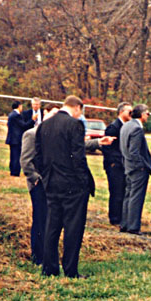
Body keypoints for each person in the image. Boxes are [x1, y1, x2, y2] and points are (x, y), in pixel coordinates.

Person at [34, 96, 94, 278]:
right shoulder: (74, 125)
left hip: (51, 182)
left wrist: (47, 176)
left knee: (52, 226)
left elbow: (37, 156)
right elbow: (78, 157)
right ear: (77, 108)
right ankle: (70, 269)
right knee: (73, 227)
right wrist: (83, 181)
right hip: (72, 184)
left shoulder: (44, 125)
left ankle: (49, 268)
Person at [20, 104, 60, 265]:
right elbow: (25, 161)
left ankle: (48, 254)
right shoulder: (31, 134)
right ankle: (38, 256)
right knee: (40, 219)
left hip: (52, 184)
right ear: (45, 113)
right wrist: (35, 179)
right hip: (38, 185)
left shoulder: (55, 135)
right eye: (54, 113)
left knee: (50, 220)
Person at [119, 104, 151, 235]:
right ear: (141, 114)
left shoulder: (126, 125)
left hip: (128, 167)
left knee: (128, 196)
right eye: (147, 113)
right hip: (136, 169)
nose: (148, 115)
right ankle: (133, 227)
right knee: (136, 197)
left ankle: (125, 224)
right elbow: (134, 152)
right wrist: (141, 166)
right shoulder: (136, 129)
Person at [103, 102, 132, 226]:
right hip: (115, 165)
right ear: (121, 112)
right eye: (129, 112)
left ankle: (121, 216)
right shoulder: (113, 127)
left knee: (122, 190)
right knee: (116, 191)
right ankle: (115, 218)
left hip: (123, 165)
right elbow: (107, 148)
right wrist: (114, 163)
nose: (131, 114)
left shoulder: (126, 126)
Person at [5, 101, 27, 176]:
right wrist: (32, 120)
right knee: (16, 156)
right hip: (16, 139)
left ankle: (13, 170)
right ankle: (15, 172)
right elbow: (23, 125)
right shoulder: (16, 115)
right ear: (19, 106)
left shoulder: (11, 114)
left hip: (12, 138)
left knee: (13, 155)